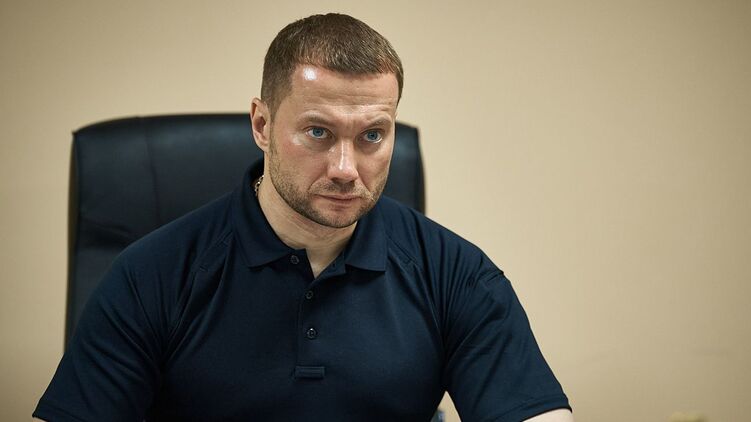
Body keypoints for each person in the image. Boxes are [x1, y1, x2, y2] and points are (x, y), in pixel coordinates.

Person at [35, 13, 573, 422]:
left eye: (372, 135)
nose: (346, 169)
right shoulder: (153, 274)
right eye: (318, 132)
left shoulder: (455, 273)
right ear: (262, 124)